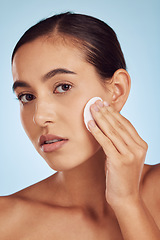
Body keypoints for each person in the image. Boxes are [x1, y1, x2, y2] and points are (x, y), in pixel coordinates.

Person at [0, 12, 160, 239]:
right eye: (26, 97)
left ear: (117, 90)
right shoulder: (6, 221)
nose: (39, 117)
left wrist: (127, 201)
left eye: (63, 87)